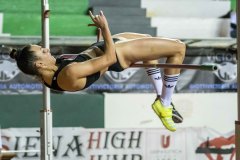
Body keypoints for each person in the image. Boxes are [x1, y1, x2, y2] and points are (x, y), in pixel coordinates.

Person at [9, 11, 185, 132]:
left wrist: (100, 36)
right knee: (178, 48)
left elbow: (85, 61)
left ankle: (163, 100)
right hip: (116, 53)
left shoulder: (48, 74)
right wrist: (105, 27)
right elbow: (108, 60)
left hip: (104, 47)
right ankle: (165, 102)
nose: (46, 49)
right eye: (42, 51)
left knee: (147, 39)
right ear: (39, 64)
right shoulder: (68, 73)